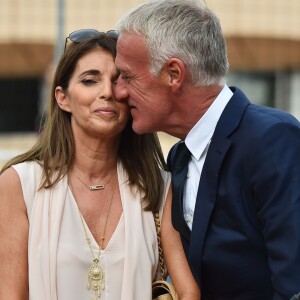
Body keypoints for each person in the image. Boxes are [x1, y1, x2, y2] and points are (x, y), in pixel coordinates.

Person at [114, 0, 300, 299]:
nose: (119, 91)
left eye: (128, 76)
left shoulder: (273, 139)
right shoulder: (179, 158)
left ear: (174, 74)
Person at [0, 30, 199, 299]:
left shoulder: (159, 187)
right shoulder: (18, 185)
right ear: (63, 98)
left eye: (118, 82)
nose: (107, 92)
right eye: (90, 80)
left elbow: (189, 293)